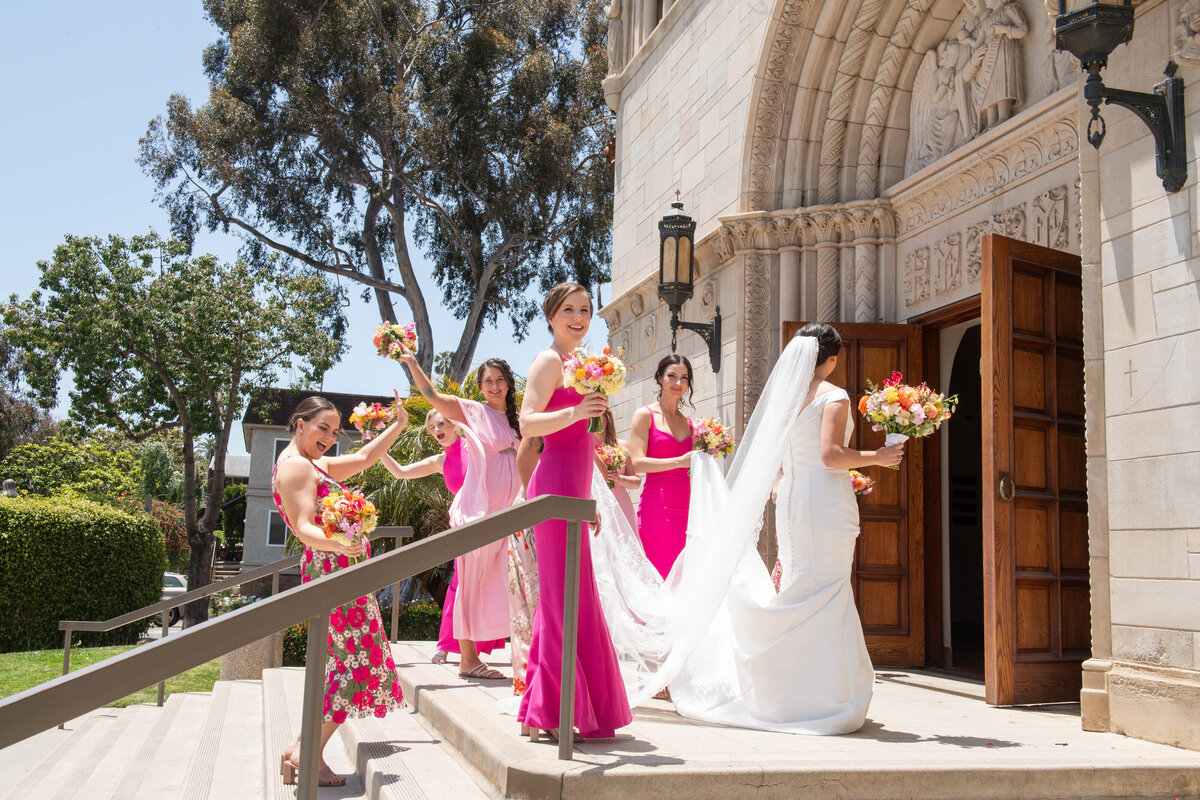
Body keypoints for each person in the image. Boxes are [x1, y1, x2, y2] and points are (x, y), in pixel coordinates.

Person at [272, 393, 409, 786]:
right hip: (334, 572)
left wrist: (398, 425)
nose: (330, 437)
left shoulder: (312, 464)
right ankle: (309, 756)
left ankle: (302, 746)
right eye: (322, 428)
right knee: (358, 663)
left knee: (347, 662)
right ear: (300, 425)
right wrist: (337, 543)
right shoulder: (297, 468)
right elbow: (302, 525)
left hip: (341, 571)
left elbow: (364, 459)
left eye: (334, 431)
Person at [517, 282, 633, 740]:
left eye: (585, 310)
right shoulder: (548, 361)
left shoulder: (587, 367)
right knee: (561, 602)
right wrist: (576, 409)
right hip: (550, 493)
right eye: (569, 310)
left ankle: (541, 710)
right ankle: (551, 711)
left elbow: (587, 444)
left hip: (576, 493)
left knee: (572, 601)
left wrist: (592, 500)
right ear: (551, 315)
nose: (578, 318)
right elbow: (526, 422)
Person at [394, 351, 523, 681]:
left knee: (500, 583)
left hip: (510, 512)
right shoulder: (473, 413)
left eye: (499, 380)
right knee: (470, 583)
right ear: (480, 387)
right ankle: (467, 659)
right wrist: (410, 362)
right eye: (487, 381)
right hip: (479, 512)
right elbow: (432, 397)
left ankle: (512, 653)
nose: (494, 386)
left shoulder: (516, 421)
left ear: (508, 383)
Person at [379, 409, 505, 670]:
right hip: (464, 527)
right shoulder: (439, 461)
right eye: (432, 426)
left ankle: (476, 642)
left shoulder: (476, 448)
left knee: (488, 582)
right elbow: (400, 472)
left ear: (455, 425)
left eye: (442, 423)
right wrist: (378, 447)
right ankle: (446, 645)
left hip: (491, 523)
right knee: (459, 584)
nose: (437, 429)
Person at [629, 355, 694, 579]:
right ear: (660, 377)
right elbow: (637, 462)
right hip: (657, 508)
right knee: (660, 578)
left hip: (689, 511)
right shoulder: (644, 415)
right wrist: (679, 461)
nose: (678, 383)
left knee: (685, 581)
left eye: (684, 378)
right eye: (672, 376)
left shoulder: (691, 424)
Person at [592, 408, 641, 531]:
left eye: (600, 414)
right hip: (598, 504)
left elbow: (636, 481)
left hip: (621, 503)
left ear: (607, 419)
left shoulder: (622, 445)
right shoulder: (585, 446)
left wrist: (619, 479)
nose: (595, 418)